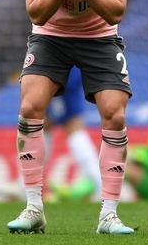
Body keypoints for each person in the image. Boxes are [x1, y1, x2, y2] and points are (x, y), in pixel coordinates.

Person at [7, 0, 134, 235]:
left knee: (115, 113)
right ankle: (34, 208)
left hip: (99, 36)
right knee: (30, 106)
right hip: (51, 36)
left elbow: (116, 11)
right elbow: (36, 13)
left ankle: (109, 215)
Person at [45, 66, 102, 202]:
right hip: (61, 66)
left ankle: (101, 185)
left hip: (63, 67)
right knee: (44, 123)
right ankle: (27, 184)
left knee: (71, 125)